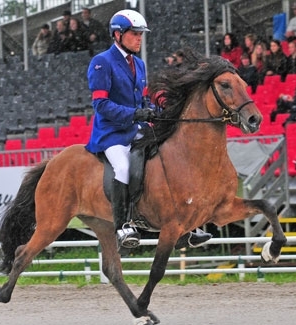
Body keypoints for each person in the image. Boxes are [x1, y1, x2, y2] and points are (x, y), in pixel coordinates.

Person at [85, 10, 211, 250]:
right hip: (111, 133)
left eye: (140, 34)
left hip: (137, 129)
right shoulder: (102, 62)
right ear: (118, 35)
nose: (139, 39)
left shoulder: (139, 64)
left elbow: (142, 101)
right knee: (122, 167)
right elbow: (100, 104)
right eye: (135, 34)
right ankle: (123, 226)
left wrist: (155, 111)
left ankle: (186, 226)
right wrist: (133, 114)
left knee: (169, 158)